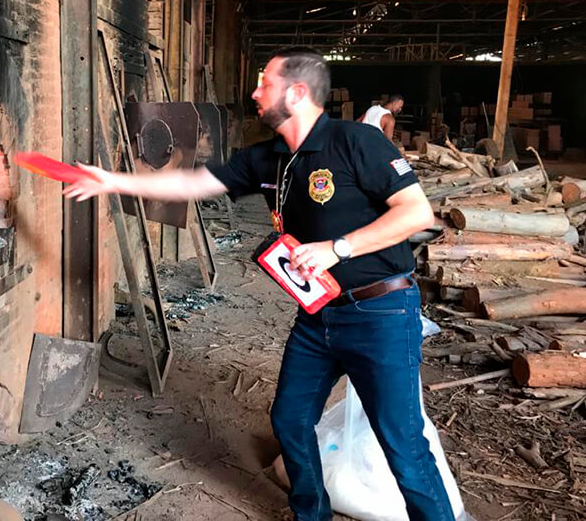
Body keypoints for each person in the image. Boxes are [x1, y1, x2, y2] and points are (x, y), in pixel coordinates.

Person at [64, 47, 455, 521]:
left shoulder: (357, 141)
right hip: (317, 314)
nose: (254, 92)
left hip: (380, 312)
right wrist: (111, 180)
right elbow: (192, 185)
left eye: (263, 82)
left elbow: (416, 213)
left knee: (402, 445)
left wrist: (338, 248)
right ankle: (311, 513)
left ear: (297, 92)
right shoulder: (272, 158)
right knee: (290, 420)